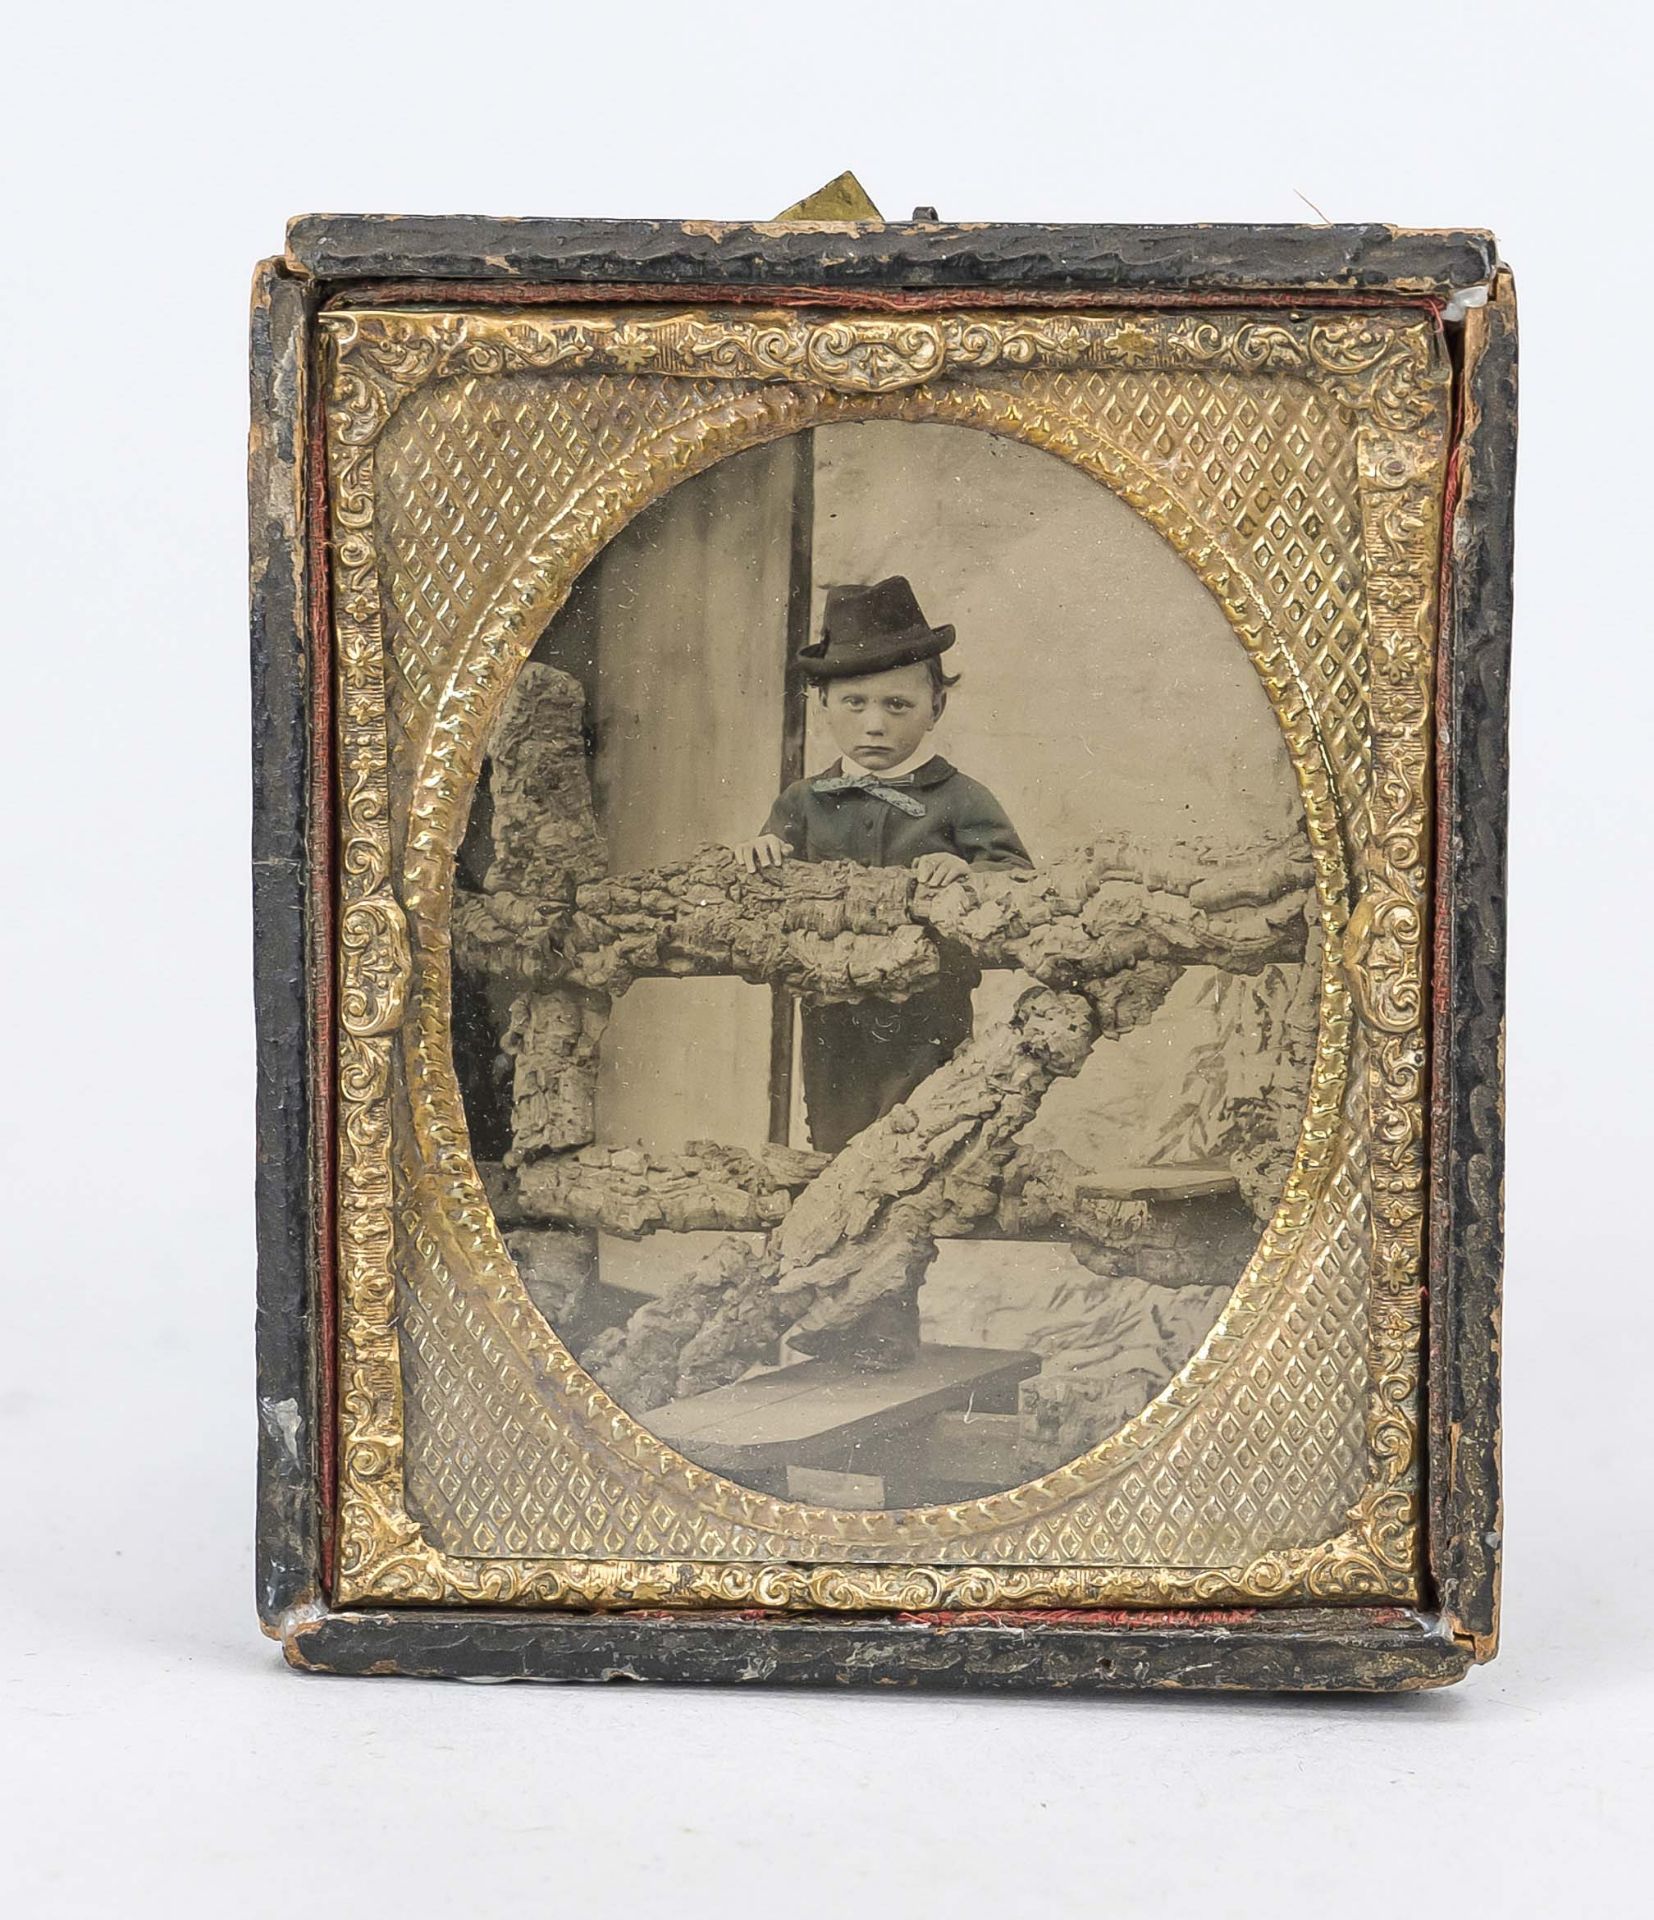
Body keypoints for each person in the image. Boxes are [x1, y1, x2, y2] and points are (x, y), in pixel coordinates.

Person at [731, 575, 1033, 1159]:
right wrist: (756, 852)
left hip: (928, 1014)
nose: (875, 724)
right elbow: (769, 878)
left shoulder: (960, 797)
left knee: (922, 1147)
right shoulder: (804, 801)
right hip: (832, 1019)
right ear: (823, 704)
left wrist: (967, 873)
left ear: (935, 707)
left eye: (898, 704)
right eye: (855, 703)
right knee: (837, 1151)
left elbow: (1016, 876)